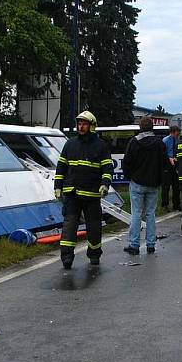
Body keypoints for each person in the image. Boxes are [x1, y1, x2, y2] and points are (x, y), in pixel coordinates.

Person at [54, 111, 113, 269]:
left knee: (94, 227)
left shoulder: (100, 146)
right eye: (79, 123)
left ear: (92, 126)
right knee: (69, 226)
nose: (81, 126)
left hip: (92, 194)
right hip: (72, 193)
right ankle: (66, 257)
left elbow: (107, 167)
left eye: (84, 124)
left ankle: (94, 255)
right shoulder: (70, 144)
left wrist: (105, 184)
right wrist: (57, 186)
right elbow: (61, 167)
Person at [122, 116, 169, 255]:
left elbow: (127, 162)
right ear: (152, 128)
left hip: (137, 182)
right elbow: (165, 164)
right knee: (150, 214)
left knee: (136, 213)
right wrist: (161, 180)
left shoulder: (134, 142)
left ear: (140, 128)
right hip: (153, 184)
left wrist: (129, 176)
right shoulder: (159, 144)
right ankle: (150, 244)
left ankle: (134, 245)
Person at [161, 125, 181, 211]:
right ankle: (165, 204)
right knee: (166, 186)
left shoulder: (178, 140)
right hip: (167, 164)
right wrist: (169, 158)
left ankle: (176, 205)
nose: (178, 135)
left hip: (175, 163)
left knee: (176, 186)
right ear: (172, 132)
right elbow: (162, 153)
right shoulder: (165, 140)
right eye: (177, 134)